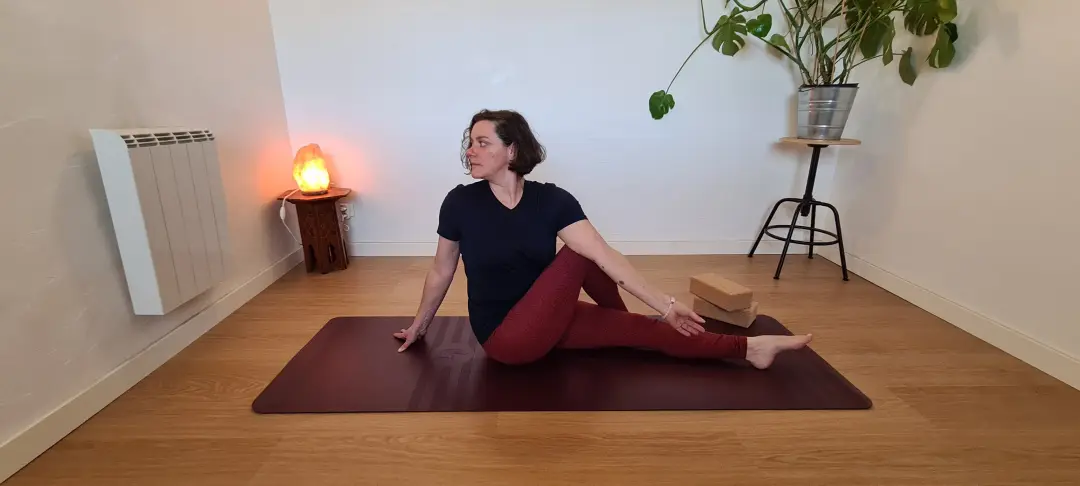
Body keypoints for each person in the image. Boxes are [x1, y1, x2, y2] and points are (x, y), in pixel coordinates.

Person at [394, 109, 812, 369]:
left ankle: (751, 349)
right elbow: (441, 271)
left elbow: (605, 257)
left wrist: (659, 312)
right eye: (470, 143)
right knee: (581, 253)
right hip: (506, 338)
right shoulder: (460, 203)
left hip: (550, 316)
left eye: (482, 142)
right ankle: (627, 317)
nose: (470, 150)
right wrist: (419, 326)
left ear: (512, 151)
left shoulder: (552, 200)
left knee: (645, 329)